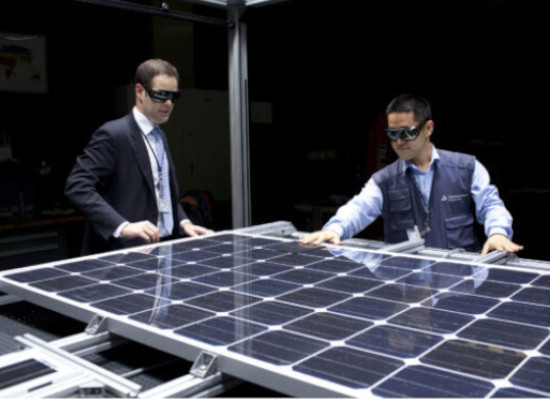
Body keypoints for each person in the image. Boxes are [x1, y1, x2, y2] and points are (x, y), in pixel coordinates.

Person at [299, 93, 523, 255]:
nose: (398, 141)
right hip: (405, 291)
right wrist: (333, 229)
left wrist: (498, 233)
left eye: (407, 132)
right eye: (392, 133)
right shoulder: (384, 180)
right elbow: (359, 208)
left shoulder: (467, 168)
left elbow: (491, 205)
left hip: (459, 286)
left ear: (428, 129)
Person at [65, 58, 212, 254]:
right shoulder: (114, 134)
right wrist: (123, 226)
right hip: (126, 254)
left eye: (173, 96)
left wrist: (184, 222)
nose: (168, 103)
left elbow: (161, 192)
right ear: (139, 92)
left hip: (165, 248)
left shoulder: (160, 137)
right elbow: (77, 186)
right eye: (161, 95)